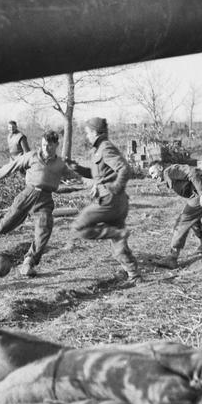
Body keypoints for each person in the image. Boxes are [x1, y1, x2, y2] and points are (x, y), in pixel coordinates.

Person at [0, 130, 76, 276]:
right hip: (27, 195)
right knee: (2, 229)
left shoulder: (60, 163)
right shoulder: (32, 156)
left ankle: (28, 263)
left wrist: (97, 180)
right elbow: (11, 167)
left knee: (44, 230)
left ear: (56, 145)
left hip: (45, 200)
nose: (46, 148)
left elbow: (76, 174)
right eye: (44, 145)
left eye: (49, 146)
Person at [67, 117, 140, 283]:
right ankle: (134, 275)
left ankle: (118, 233)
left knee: (79, 227)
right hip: (117, 202)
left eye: (87, 133)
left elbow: (124, 169)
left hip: (110, 200)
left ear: (94, 132)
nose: (86, 136)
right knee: (118, 246)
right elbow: (98, 175)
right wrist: (77, 168)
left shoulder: (105, 148)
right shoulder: (99, 149)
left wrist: (116, 187)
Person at [148, 160, 202, 267]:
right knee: (193, 221)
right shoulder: (169, 175)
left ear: (160, 168)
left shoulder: (169, 171)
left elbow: (191, 172)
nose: (153, 177)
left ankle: (172, 257)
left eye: (153, 173)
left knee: (182, 222)